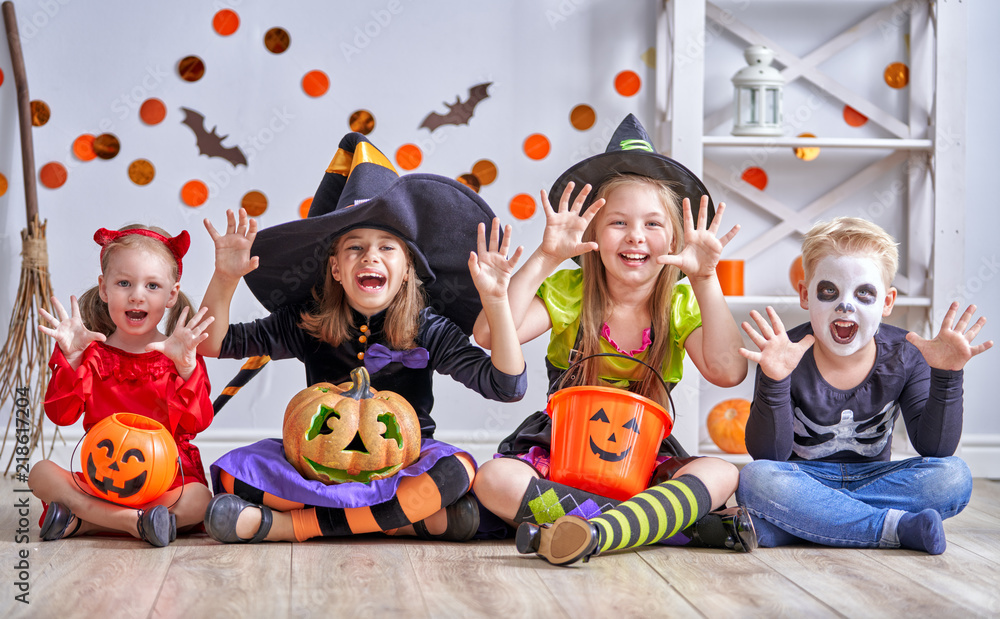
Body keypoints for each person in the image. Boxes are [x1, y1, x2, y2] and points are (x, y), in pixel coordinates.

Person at [198, 132, 527, 544]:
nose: (370, 256)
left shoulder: (429, 328)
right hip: (316, 465)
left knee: (456, 471)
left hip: (404, 464)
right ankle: (407, 522)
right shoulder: (308, 320)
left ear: (407, 269)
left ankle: (289, 526)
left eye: (387, 247)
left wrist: (495, 301)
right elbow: (213, 343)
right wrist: (226, 279)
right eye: (355, 247)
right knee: (233, 474)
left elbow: (508, 386)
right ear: (335, 268)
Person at [472, 114, 753, 566]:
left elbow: (728, 371)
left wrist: (705, 279)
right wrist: (545, 257)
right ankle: (658, 528)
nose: (636, 236)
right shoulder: (570, 292)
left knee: (722, 472)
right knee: (493, 479)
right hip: (561, 455)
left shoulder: (679, 303)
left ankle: (588, 530)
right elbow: (489, 334)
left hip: (643, 460)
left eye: (652, 224)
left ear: (676, 237)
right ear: (594, 235)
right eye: (618, 222)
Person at [736, 217, 991, 555]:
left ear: (887, 302)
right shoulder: (785, 353)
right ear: (805, 295)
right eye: (829, 291)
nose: (845, 305)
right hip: (803, 478)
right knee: (757, 478)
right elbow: (769, 455)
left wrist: (947, 375)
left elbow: (935, 448)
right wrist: (775, 379)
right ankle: (894, 528)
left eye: (864, 294)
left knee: (953, 476)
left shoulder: (905, 355)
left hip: (877, 478)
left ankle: (809, 522)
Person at [29, 225, 216, 547]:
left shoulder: (179, 356)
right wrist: (71, 360)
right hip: (103, 476)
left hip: (168, 479)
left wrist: (186, 369)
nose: (136, 294)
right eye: (124, 283)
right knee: (40, 472)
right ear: (104, 289)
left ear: (171, 294)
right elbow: (61, 415)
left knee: (198, 498)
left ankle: (84, 521)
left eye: (152, 285)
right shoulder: (91, 356)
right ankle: (135, 523)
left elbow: (197, 423)